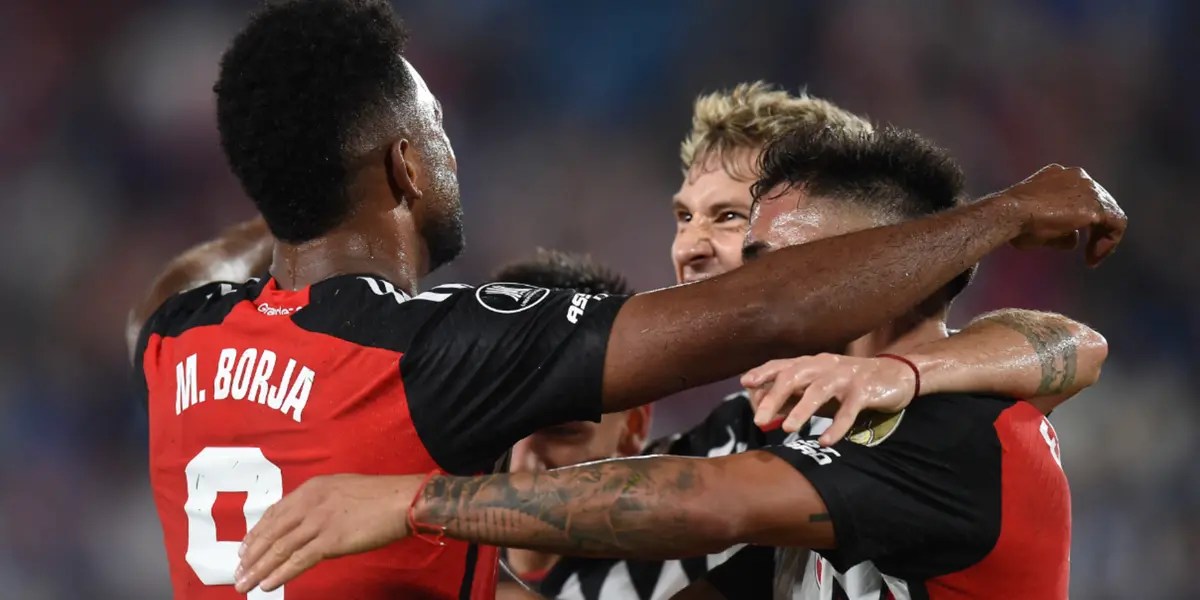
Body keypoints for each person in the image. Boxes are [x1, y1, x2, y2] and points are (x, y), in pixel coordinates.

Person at [132, 1, 1124, 598]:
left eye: (751, 238)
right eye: (698, 221)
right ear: (404, 166)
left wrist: (415, 505)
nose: (704, 253)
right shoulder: (444, 351)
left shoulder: (178, 338)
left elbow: (701, 497)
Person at [234, 125, 1106, 599]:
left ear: (887, 270)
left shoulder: (955, 431)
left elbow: (703, 506)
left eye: (784, 265)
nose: (747, 285)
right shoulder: (813, 427)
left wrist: (412, 505)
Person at [498, 84, 1110, 600]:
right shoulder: (766, 420)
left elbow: (1074, 344)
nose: (689, 248)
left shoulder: (942, 423)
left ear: (869, 258)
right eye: (685, 216)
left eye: (730, 217)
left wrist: (902, 369)